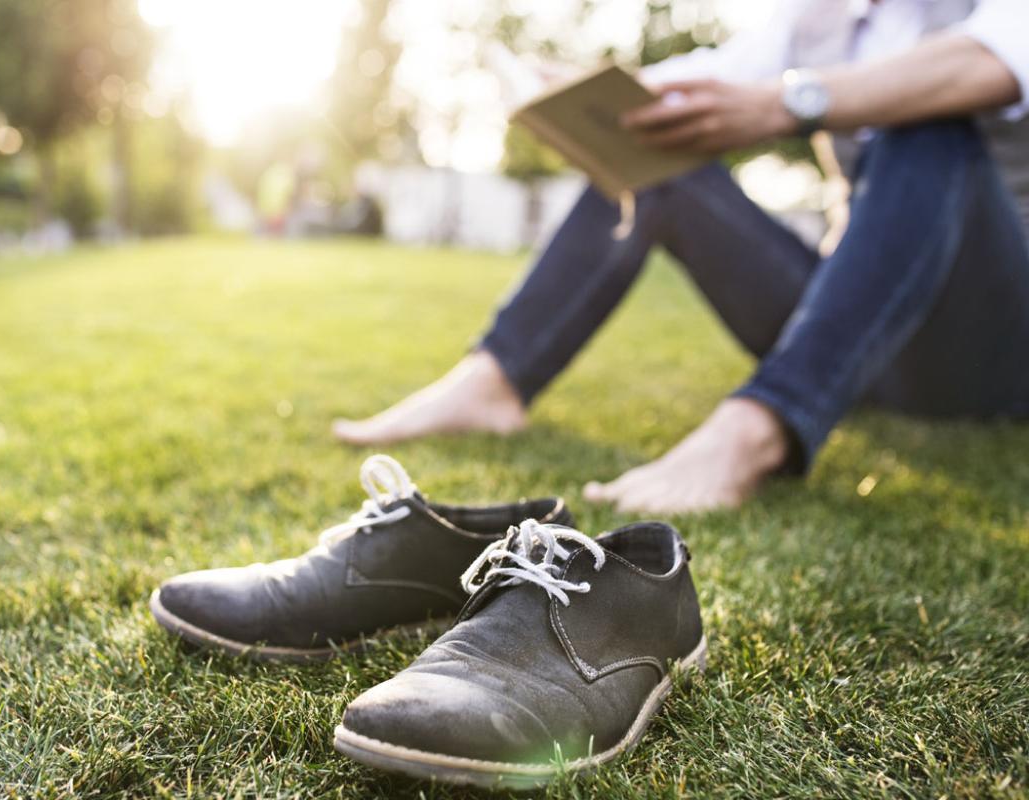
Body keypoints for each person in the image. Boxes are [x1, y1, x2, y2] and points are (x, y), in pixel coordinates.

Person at [333, 0, 1029, 514]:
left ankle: (760, 428)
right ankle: (494, 380)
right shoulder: (823, 20)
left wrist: (790, 101)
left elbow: (986, 63)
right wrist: (577, 90)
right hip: (861, 346)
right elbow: (690, 87)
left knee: (930, 124)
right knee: (660, 145)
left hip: (993, 346)